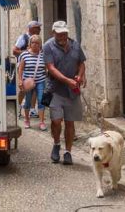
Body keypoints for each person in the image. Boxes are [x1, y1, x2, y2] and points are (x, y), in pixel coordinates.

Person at [43, 20, 86, 165]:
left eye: (64, 33)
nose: (62, 36)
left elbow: (81, 63)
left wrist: (80, 76)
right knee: (56, 121)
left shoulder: (75, 45)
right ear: (53, 33)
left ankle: (68, 152)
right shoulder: (48, 46)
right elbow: (51, 68)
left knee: (70, 122)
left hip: (72, 92)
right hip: (55, 90)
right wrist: (67, 80)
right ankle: (56, 144)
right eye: (59, 34)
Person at [17, 34, 47, 130]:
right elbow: (20, 69)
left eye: (37, 43)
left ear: (40, 44)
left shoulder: (43, 55)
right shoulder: (24, 54)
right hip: (28, 82)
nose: (35, 45)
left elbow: (46, 68)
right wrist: (20, 80)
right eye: (33, 42)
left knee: (41, 101)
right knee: (28, 102)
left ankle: (42, 122)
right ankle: (27, 120)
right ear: (30, 44)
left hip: (40, 81)